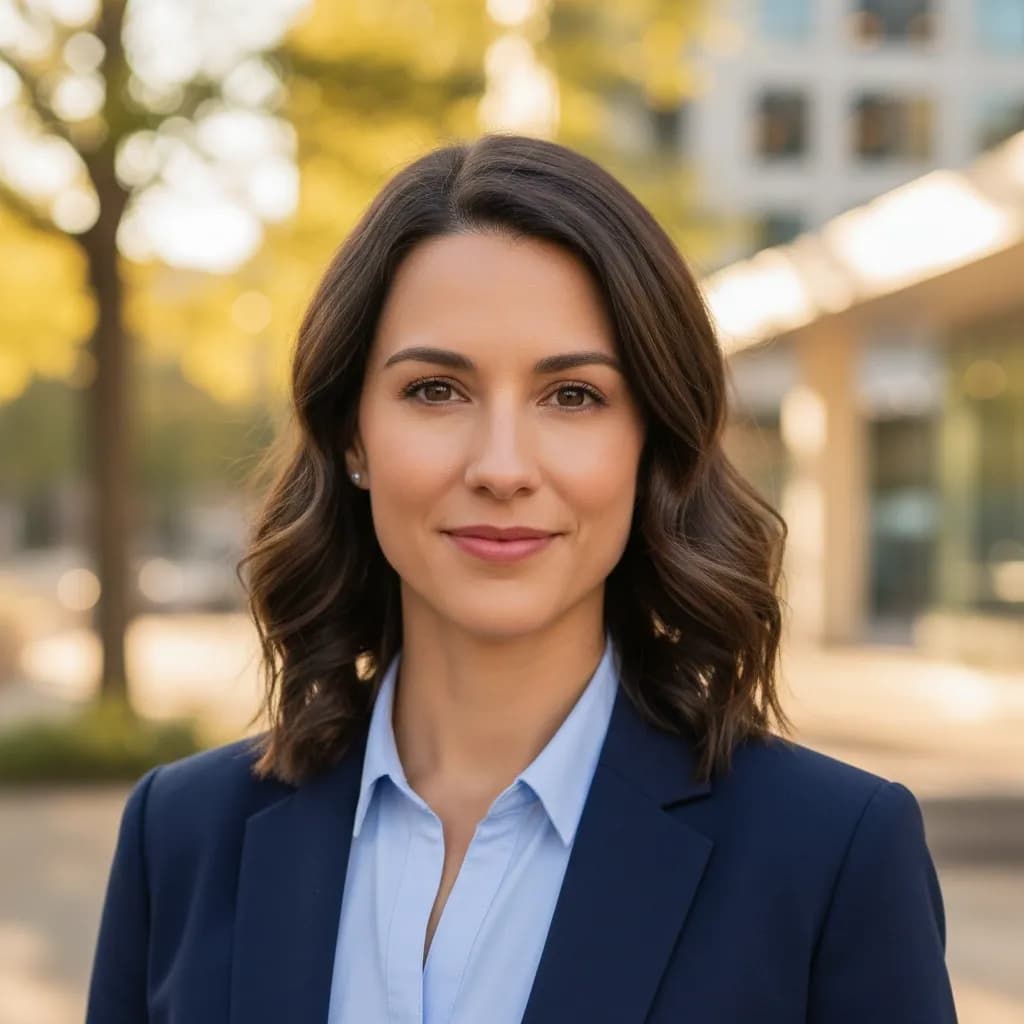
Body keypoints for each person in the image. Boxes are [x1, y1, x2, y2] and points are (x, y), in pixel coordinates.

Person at [85, 133, 958, 1024]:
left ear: (649, 441)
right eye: (435, 390)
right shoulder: (182, 836)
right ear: (353, 435)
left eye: (572, 396)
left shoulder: (830, 855)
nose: (502, 467)